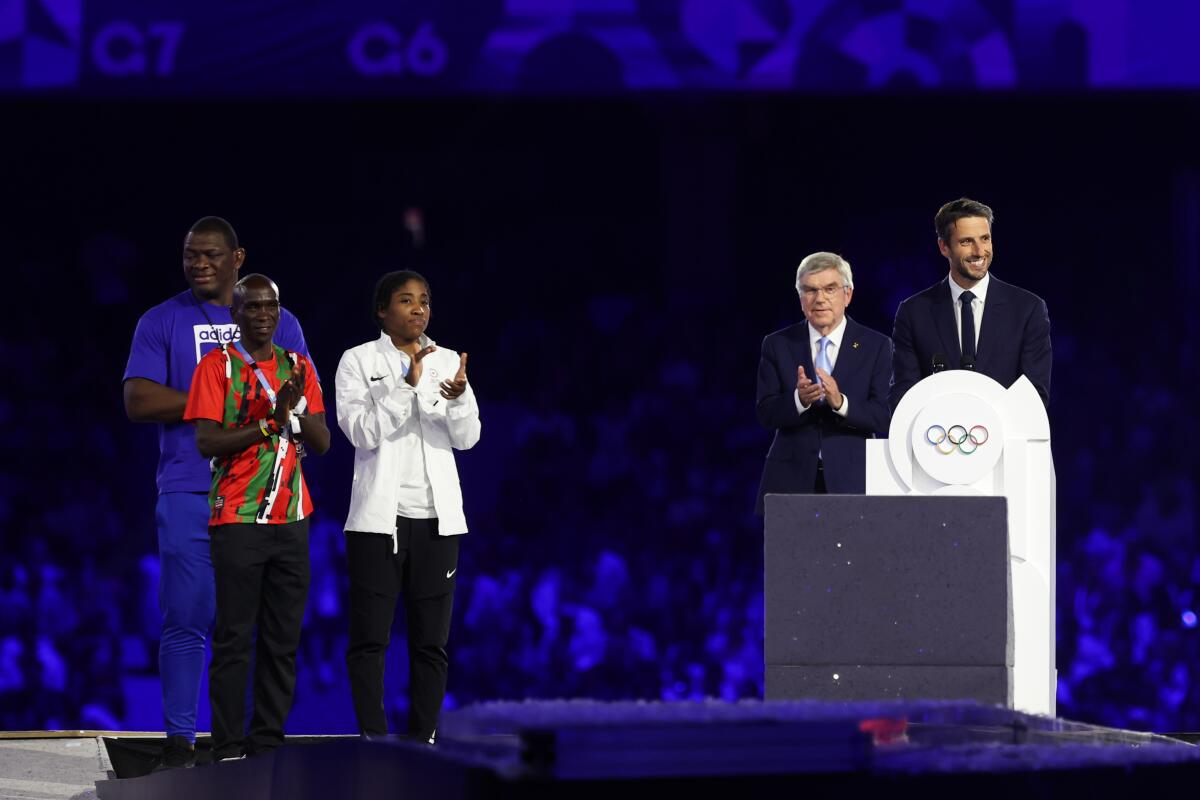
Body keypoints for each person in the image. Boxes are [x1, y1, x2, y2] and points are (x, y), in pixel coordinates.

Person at [122, 217, 311, 769]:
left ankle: (257, 744)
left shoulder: (281, 318)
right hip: (187, 487)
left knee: (258, 627)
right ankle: (181, 743)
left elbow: (300, 396)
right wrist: (216, 397)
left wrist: (227, 403)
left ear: (238, 258)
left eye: (209, 254)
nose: (198, 263)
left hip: (265, 493)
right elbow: (137, 401)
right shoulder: (160, 321)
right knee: (186, 616)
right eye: (189, 256)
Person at [183, 273, 330, 761]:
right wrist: (269, 421)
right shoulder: (217, 366)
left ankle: (267, 743)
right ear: (235, 314)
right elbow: (207, 441)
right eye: (252, 307)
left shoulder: (299, 366)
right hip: (238, 518)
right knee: (233, 639)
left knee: (282, 640)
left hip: (292, 519)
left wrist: (296, 411)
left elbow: (323, 442)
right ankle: (227, 745)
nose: (263, 314)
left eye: (271, 306)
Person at [334, 270, 480, 743]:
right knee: (370, 640)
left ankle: (423, 742)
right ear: (382, 311)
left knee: (431, 643)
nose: (419, 309)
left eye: (425, 300)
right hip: (378, 522)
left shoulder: (446, 362)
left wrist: (457, 402)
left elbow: (468, 437)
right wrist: (405, 385)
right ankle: (373, 741)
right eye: (406, 300)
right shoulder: (357, 361)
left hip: (438, 522)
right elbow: (360, 432)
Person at [755, 252, 892, 513]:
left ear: (847, 294)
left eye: (830, 289)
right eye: (810, 290)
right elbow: (766, 412)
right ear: (800, 298)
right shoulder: (778, 344)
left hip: (853, 481)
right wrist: (799, 400)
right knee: (790, 555)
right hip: (790, 482)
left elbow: (883, 415)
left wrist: (841, 403)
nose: (820, 299)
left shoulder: (876, 346)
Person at [888, 197, 1052, 408]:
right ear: (944, 247)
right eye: (966, 241)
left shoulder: (1027, 309)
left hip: (1004, 438)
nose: (979, 251)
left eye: (985, 239)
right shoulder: (914, 313)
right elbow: (904, 397)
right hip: (936, 437)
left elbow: (1034, 396)